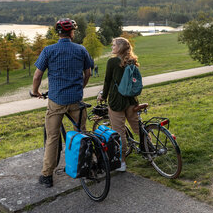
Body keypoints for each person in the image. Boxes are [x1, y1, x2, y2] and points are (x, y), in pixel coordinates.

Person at [32, 18, 94, 187]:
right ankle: (87, 167)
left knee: (52, 137)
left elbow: (37, 75)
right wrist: (80, 87)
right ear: (72, 33)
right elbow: (87, 73)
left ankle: (47, 176)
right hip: (76, 100)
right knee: (82, 133)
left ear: (58, 33)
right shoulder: (81, 49)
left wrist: (36, 91)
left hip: (56, 100)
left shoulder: (48, 50)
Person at [97, 36, 139, 173]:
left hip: (117, 101)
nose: (112, 47)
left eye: (114, 45)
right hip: (131, 100)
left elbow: (107, 81)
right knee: (138, 127)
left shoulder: (113, 62)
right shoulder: (132, 61)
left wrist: (103, 96)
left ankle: (121, 162)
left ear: (120, 48)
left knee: (119, 132)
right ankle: (150, 150)